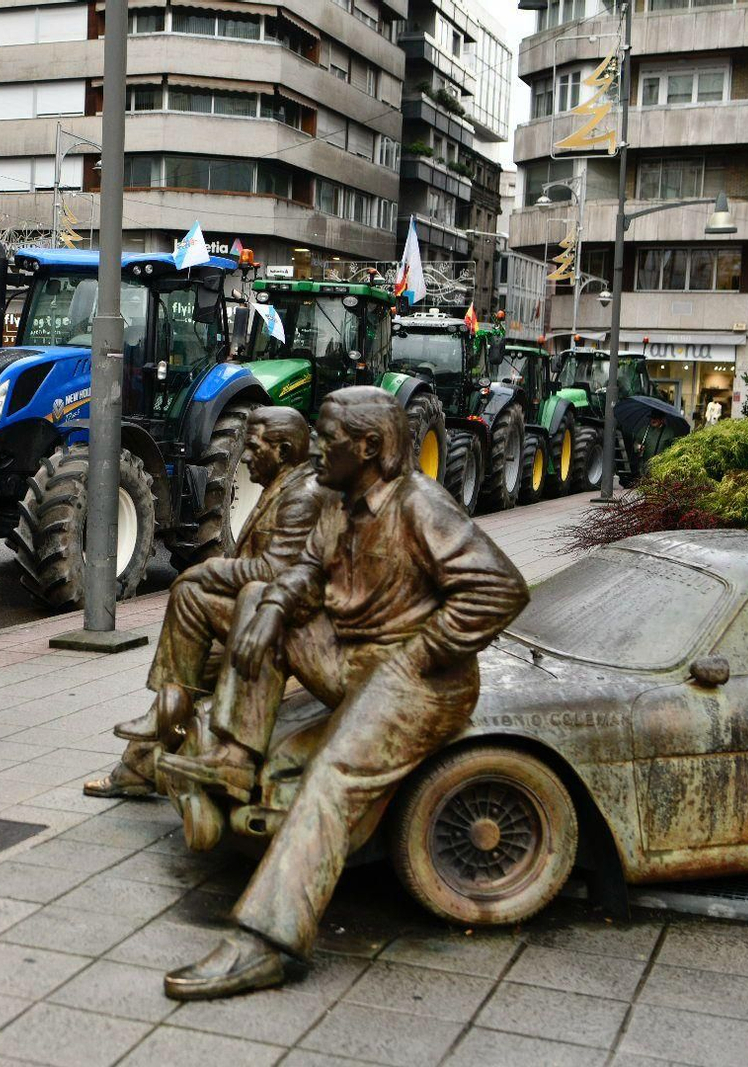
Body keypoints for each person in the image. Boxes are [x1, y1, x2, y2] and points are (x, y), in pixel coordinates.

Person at [156, 386, 528, 1000]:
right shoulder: (334, 498)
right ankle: (232, 756)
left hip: (418, 680)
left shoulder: (419, 505)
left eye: (329, 440)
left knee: (330, 777)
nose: (318, 451)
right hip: (350, 660)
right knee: (254, 599)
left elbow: (499, 590)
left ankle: (269, 940)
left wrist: (421, 653)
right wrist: (276, 604)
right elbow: (304, 569)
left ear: (371, 446)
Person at [83, 407, 329, 799]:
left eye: (253, 447)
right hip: (260, 614)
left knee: (189, 602)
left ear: (282, 451)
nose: (245, 457)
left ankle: (163, 722)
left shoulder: (302, 497)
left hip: (284, 626)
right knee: (187, 667)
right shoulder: (282, 486)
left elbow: (275, 571)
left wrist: (208, 571)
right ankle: (138, 765)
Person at [635, 411, 680, 475]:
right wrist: (638, 447)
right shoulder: (645, 430)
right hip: (644, 465)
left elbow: (674, 448)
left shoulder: (669, 432)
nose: (653, 420)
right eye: (652, 418)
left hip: (660, 466)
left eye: (656, 418)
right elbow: (636, 442)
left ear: (662, 420)